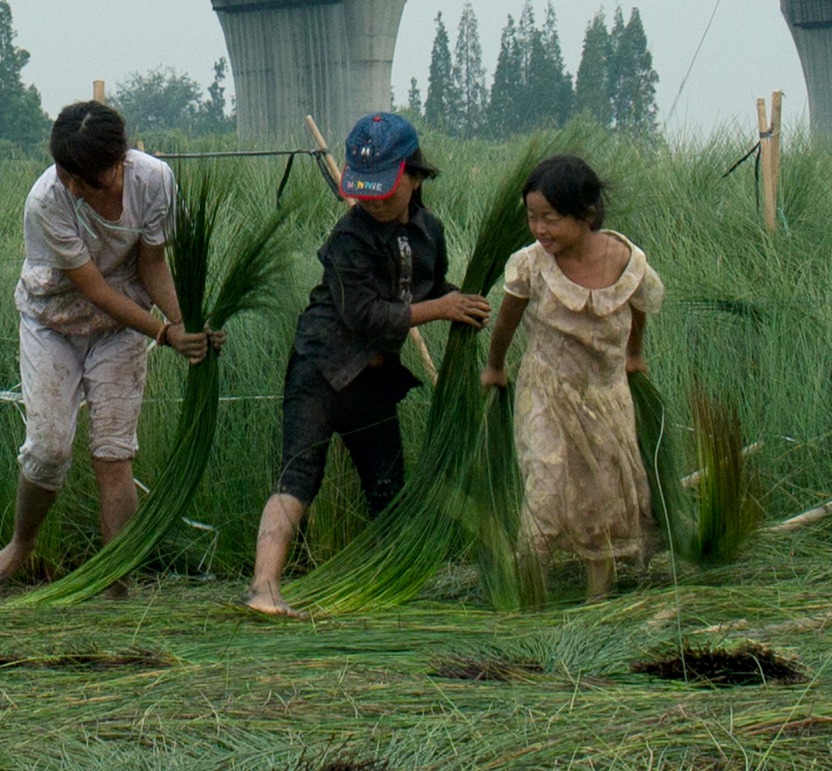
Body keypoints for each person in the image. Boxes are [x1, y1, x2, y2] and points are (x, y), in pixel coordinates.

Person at [247, 112, 491, 617]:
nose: (373, 201)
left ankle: (389, 585)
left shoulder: (431, 232)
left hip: (375, 380)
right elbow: (364, 315)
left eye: (384, 189)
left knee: (388, 487)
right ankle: (264, 588)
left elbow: (428, 290)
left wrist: (461, 303)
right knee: (299, 478)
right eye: (366, 191)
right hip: (321, 370)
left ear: (415, 176)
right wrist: (440, 309)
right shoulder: (348, 238)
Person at [0, 101, 218, 596]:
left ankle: (116, 579)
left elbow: (151, 266)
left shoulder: (154, 182)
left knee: (113, 453)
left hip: (121, 327)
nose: (75, 189)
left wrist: (185, 323)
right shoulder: (47, 200)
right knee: (48, 448)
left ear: (121, 161)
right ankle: (22, 544)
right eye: (68, 175)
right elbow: (93, 290)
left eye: (89, 180)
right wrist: (163, 333)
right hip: (54, 322)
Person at [480, 155, 665, 601]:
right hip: (545, 390)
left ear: (586, 214)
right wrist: (495, 365)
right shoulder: (530, 265)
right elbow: (506, 319)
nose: (540, 229)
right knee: (544, 481)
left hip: (605, 394)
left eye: (551, 218)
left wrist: (634, 355)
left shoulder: (626, 259)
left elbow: (638, 307)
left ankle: (595, 600)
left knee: (601, 495)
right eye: (532, 217)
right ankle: (529, 596)